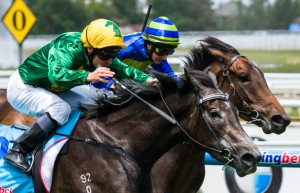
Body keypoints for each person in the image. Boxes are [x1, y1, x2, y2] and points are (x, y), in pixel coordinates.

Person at [4, 18, 155, 172]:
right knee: (60, 109)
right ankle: (18, 149)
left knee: (91, 105)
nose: (110, 60)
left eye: (113, 54)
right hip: (23, 86)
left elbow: (125, 70)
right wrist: (87, 77)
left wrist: (150, 80)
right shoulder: (67, 45)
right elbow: (56, 76)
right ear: (90, 49)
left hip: (50, 88)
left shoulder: (99, 52)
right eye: (106, 54)